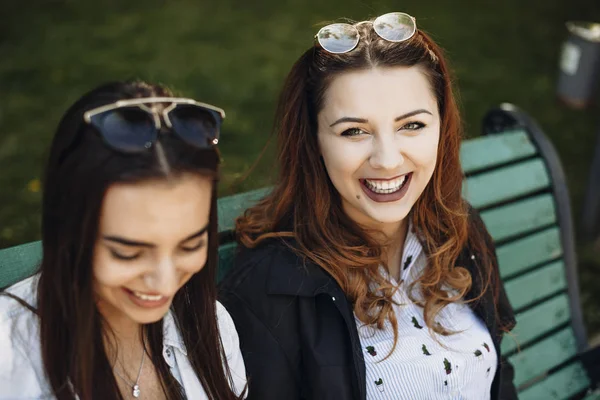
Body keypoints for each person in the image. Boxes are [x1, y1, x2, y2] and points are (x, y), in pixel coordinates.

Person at [219, 12, 517, 400]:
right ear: (314, 141)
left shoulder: (460, 231)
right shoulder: (270, 290)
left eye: (411, 125)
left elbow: (500, 375)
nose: (388, 160)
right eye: (354, 131)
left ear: (442, 128)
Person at [0, 81, 247, 399]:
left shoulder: (211, 327)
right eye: (128, 252)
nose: (164, 280)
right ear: (70, 227)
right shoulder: (10, 359)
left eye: (189, 245)